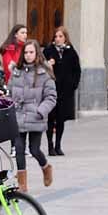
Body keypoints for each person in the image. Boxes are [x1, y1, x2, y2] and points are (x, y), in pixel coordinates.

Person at [8, 39, 56, 192]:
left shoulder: (44, 73)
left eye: (31, 52)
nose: (28, 55)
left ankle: (46, 167)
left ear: (37, 54)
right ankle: (22, 185)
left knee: (34, 149)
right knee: (19, 148)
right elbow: (10, 92)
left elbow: (51, 97)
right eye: (26, 52)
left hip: (36, 116)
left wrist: (41, 111)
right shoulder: (16, 71)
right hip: (18, 115)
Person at [42, 26, 81, 156]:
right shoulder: (48, 51)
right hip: (51, 91)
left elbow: (77, 70)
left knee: (61, 119)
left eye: (60, 36)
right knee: (50, 119)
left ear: (65, 38)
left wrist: (73, 85)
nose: (58, 39)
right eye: (56, 36)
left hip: (65, 92)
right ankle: (50, 146)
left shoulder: (71, 51)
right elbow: (41, 67)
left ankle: (58, 145)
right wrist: (49, 64)